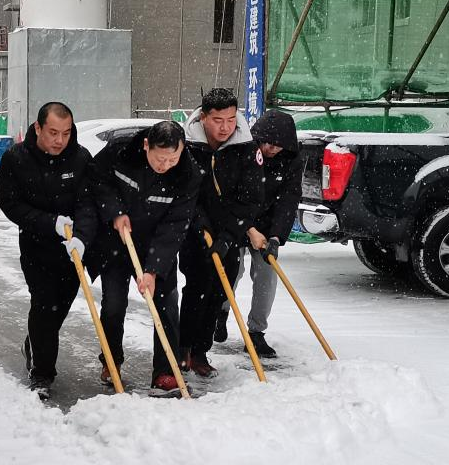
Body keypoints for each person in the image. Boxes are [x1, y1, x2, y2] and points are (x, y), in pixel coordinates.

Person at [75, 121, 201, 392]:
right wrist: (115, 212)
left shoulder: (187, 174)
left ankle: (165, 371)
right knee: (113, 304)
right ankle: (111, 361)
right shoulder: (121, 151)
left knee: (166, 305)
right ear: (146, 146)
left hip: (157, 244)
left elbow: (176, 224)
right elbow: (97, 178)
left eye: (172, 159)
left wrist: (153, 269)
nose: (165, 165)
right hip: (116, 240)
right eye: (160, 159)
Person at [0, 102, 93, 399]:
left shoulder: (80, 158)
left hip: (72, 250)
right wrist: (49, 223)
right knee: (44, 306)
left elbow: (88, 204)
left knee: (59, 308)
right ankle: (42, 373)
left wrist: (81, 237)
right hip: (36, 246)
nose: (59, 140)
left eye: (66, 133)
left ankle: (35, 343)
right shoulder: (16, 158)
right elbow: (9, 203)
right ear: (38, 128)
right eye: (53, 132)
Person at [178, 88, 263, 378]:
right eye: (217, 120)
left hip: (230, 232)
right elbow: (187, 192)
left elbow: (251, 198)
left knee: (218, 292)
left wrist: (228, 236)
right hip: (195, 229)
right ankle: (184, 348)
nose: (225, 127)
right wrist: (200, 225)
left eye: (230, 119)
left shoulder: (246, 147)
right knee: (196, 287)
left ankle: (201, 352)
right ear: (203, 118)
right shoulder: (188, 146)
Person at [224, 109, 302, 358]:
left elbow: (288, 200)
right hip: (237, 217)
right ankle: (220, 312)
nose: (270, 149)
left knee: (267, 275)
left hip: (268, 224)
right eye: (266, 142)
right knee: (232, 270)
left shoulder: (292, 160)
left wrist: (276, 237)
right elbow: (231, 195)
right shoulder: (244, 152)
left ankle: (256, 332)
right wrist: (248, 228)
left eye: (277, 145)